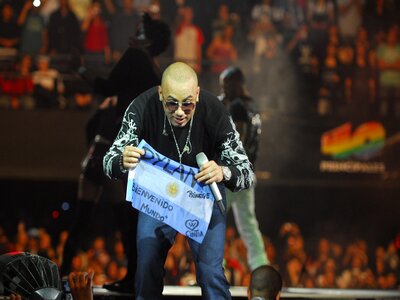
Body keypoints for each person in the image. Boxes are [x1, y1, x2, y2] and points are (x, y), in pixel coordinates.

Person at [103, 61, 254, 299]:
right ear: (161, 93)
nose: (180, 112)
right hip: (159, 195)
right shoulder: (141, 106)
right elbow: (108, 160)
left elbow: (246, 171)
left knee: (211, 273)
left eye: (188, 104)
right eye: (171, 103)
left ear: (197, 94)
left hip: (202, 195)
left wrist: (223, 172)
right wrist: (121, 160)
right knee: (146, 267)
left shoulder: (215, 109)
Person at [60, 13, 171, 294]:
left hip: (109, 148)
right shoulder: (154, 69)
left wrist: (81, 70)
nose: (136, 30)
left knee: (90, 216)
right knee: (125, 218)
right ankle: (134, 277)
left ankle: (61, 276)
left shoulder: (136, 56)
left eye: (141, 28)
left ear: (148, 37)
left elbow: (107, 87)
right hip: (121, 148)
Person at [219, 66, 270, 273]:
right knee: (248, 224)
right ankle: (260, 266)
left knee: (214, 218)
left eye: (225, 86)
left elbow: (236, 140)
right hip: (248, 173)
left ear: (236, 84)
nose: (223, 90)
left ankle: (213, 267)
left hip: (233, 173)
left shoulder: (237, 106)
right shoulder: (253, 106)